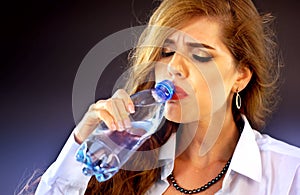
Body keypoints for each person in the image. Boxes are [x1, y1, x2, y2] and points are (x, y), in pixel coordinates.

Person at [30, 0, 300, 194]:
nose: (173, 68)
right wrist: (80, 142)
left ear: (240, 76)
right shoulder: (126, 162)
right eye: (166, 52)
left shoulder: (290, 173)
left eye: (200, 55)